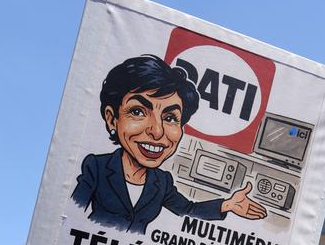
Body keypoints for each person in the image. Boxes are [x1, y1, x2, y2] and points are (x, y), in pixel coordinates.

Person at [71, 54, 267, 233]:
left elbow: (188, 210)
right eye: (138, 111)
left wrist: (227, 205)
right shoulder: (96, 167)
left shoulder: (162, 182)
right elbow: (71, 212)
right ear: (112, 118)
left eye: (170, 117)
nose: (157, 131)